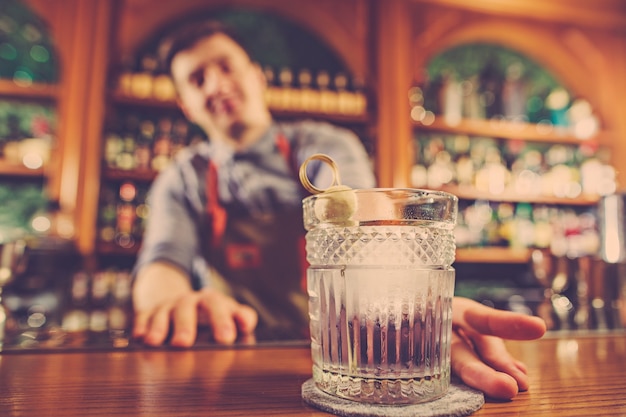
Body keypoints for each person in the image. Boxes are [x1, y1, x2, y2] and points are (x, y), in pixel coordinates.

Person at [131, 20, 547, 401]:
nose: (216, 85)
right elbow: (161, 264)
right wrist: (172, 306)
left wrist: (417, 314)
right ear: (185, 104)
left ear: (257, 78)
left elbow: (372, 239)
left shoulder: (325, 146)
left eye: (225, 67)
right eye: (197, 79)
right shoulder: (182, 177)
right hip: (232, 365)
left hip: (341, 354)